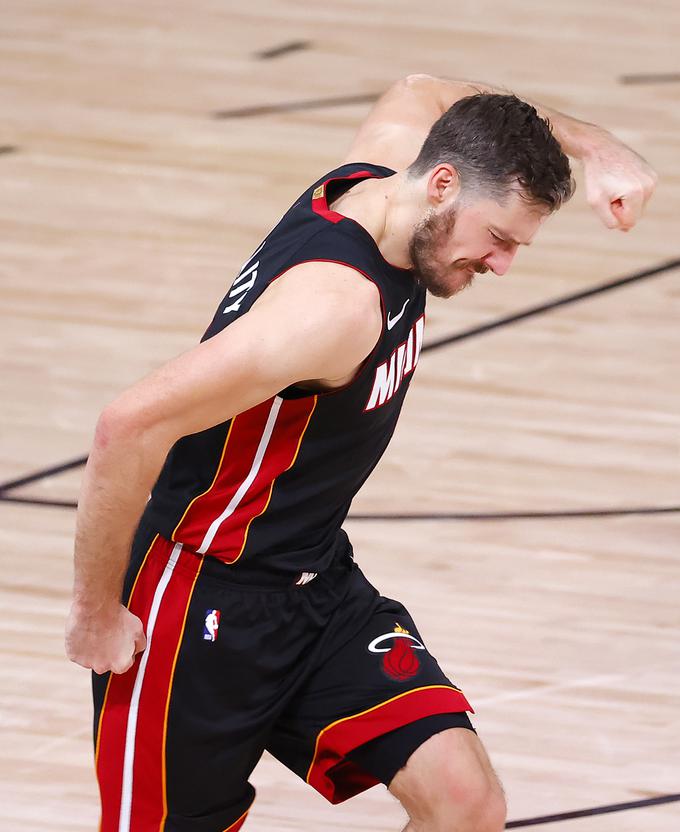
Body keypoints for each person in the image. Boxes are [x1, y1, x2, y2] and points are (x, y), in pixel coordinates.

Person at [65, 74, 657, 832]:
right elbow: (126, 428)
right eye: (500, 239)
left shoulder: (389, 172)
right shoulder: (331, 309)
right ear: (442, 183)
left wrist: (593, 144)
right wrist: (93, 611)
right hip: (199, 603)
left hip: (315, 585)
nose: (503, 264)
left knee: (465, 804)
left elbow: (431, 88)